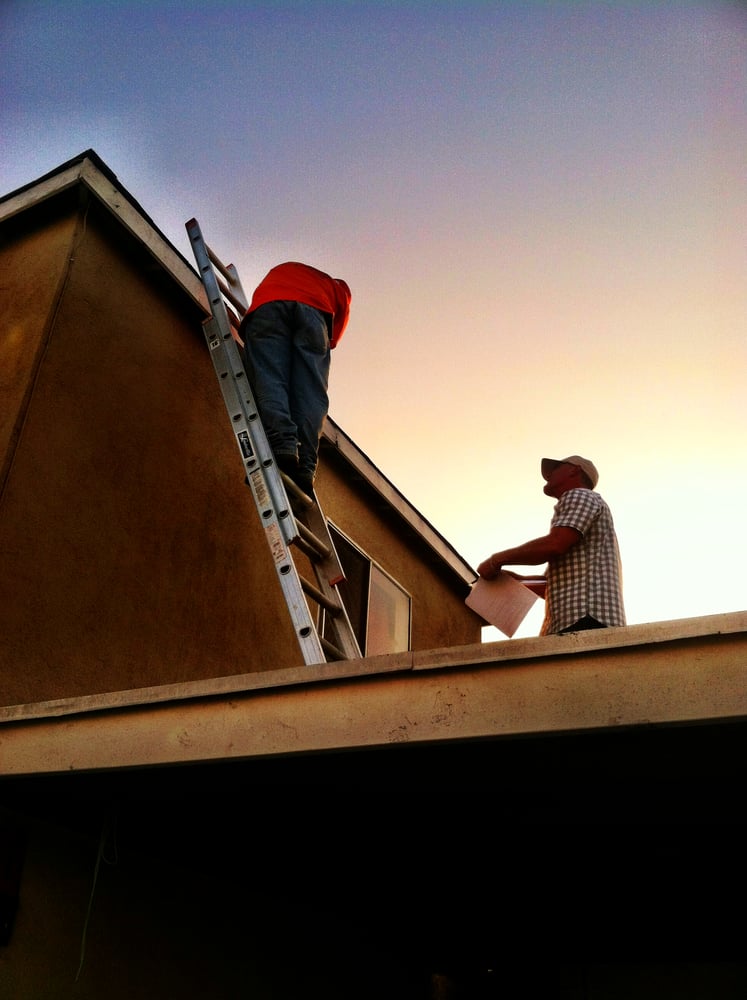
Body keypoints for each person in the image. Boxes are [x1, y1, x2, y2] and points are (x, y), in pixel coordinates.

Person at [477, 455, 626, 635]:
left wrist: (496, 560)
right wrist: (516, 581)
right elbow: (548, 586)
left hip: (586, 619)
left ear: (574, 470)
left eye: (555, 469)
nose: (548, 475)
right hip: (583, 621)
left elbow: (555, 544)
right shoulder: (581, 505)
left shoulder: (579, 494)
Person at [239, 261, 351, 498]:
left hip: (268, 305)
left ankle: (282, 443)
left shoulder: (290, 271)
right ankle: (306, 466)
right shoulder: (338, 291)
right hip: (314, 316)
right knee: (311, 393)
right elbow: (333, 338)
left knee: (270, 377)